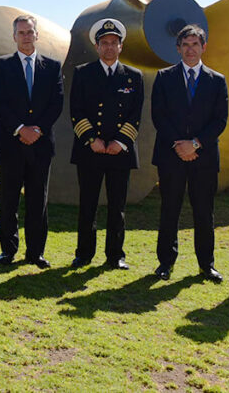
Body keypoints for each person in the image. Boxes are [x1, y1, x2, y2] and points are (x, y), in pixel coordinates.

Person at [150, 24, 227, 282]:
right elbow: (158, 116)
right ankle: (165, 263)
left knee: (204, 212)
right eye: (185, 45)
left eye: (195, 44)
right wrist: (179, 145)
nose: (190, 49)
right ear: (178, 48)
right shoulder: (164, 77)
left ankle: (207, 265)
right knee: (169, 209)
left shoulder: (217, 81)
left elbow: (220, 121)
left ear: (203, 47)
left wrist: (194, 144)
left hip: (203, 158)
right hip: (171, 155)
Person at [0, 15, 64, 268]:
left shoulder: (53, 67)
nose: (26, 36)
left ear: (37, 35)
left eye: (30, 32)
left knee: (37, 201)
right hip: (10, 144)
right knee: (9, 200)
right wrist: (21, 128)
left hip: (41, 145)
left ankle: (35, 253)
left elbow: (57, 103)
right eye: (21, 33)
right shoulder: (0, 65)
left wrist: (38, 129)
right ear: (14, 37)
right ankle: (8, 252)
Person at [69, 18, 143, 270]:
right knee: (87, 205)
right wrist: (92, 139)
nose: (109, 47)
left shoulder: (133, 77)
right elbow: (76, 111)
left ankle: (115, 255)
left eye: (114, 43)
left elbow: (136, 115)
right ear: (97, 46)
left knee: (117, 208)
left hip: (119, 152)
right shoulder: (83, 73)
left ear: (121, 46)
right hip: (91, 150)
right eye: (104, 43)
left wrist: (120, 142)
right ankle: (84, 253)